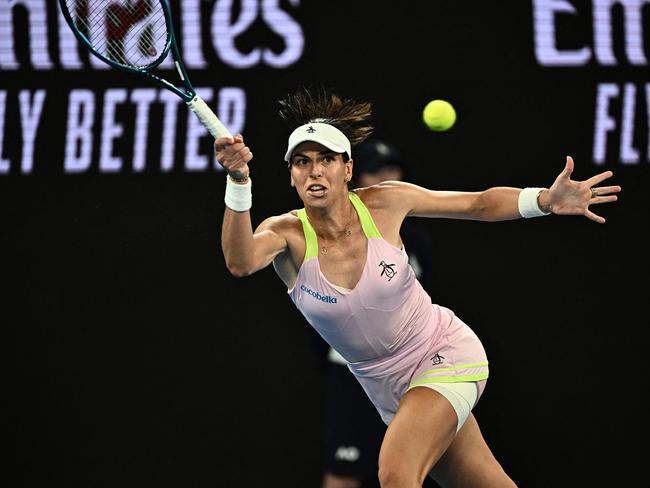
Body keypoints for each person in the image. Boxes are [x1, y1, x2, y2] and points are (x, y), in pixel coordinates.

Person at [217, 88, 620, 487]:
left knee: (396, 472)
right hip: (384, 387)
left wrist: (544, 200)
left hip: (442, 353)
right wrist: (238, 181)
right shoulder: (284, 233)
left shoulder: (385, 202)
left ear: (348, 169)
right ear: (291, 175)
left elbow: (477, 204)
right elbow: (241, 261)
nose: (315, 171)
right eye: (302, 162)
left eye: (326, 159)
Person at [313, 138, 437, 488]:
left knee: (412, 473)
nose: (386, 178)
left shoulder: (416, 238)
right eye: (375, 171)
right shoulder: (327, 234)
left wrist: (540, 201)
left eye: (391, 170)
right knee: (343, 473)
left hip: (411, 374)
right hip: (352, 375)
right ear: (354, 176)